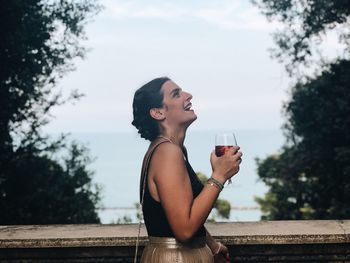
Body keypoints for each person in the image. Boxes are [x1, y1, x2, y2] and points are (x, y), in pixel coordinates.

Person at [132, 77, 242, 263]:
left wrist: (213, 246)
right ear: (158, 112)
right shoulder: (167, 152)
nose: (188, 95)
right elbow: (184, 230)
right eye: (176, 94)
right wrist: (219, 176)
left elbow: (180, 211)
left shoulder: (171, 149)